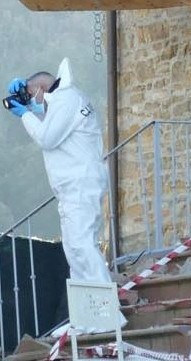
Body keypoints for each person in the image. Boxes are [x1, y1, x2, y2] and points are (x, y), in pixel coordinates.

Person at [6, 57, 112, 286]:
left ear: (41, 89)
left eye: (30, 94)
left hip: (80, 183)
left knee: (82, 246)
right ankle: (88, 314)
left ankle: (106, 309)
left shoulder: (66, 99)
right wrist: (30, 100)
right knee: (74, 250)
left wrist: (25, 114)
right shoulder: (66, 100)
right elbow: (54, 125)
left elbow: (47, 137)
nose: (33, 103)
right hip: (74, 186)